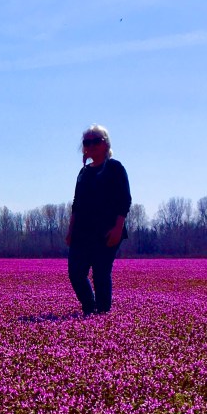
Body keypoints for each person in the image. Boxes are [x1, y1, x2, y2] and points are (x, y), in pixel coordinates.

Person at [64, 124, 132, 316]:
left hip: (107, 230)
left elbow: (124, 199)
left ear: (105, 144)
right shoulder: (83, 173)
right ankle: (89, 306)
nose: (91, 145)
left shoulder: (115, 168)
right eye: (87, 142)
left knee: (101, 272)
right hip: (82, 231)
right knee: (76, 272)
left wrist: (118, 228)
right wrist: (70, 230)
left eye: (96, 141)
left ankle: (102, 314)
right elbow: (76, 204)